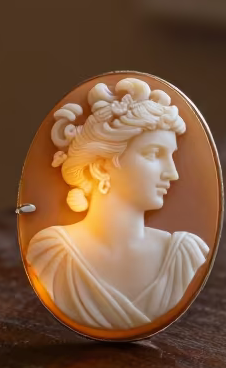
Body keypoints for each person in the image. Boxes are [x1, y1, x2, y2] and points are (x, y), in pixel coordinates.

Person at [27, 78, 209, 329]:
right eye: (154, 154)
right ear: (102, 165)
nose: (172, 173)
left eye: (172, 156)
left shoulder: (185, 254)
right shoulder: (52, 253)